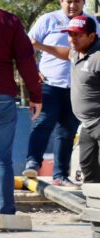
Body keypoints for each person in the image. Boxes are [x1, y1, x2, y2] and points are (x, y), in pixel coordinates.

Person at [0, 0, 42, 213]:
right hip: (2, 95)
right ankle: (6, 211)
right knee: (2, 159)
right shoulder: (10, 20)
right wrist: (36, 95)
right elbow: (26, 61)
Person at [24, 0, 92, 186]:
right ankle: (33, 162)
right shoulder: (48, 20)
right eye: (68, 1)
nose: (72, 5)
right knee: (44, 122)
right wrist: (34, 71)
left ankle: (60, 175)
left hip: (77, 87)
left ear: (83, 1)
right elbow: (27, 46)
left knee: (67, 131)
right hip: (50, 84)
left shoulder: (91, 23)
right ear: (61, 1)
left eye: (77, 1)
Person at [32, 16, 100, 183]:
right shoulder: (77, 52)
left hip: (98, 121)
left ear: (92, 36)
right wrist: (40, 46)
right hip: (88, 124)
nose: (72, 39)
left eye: (78, 35)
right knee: (87, 164)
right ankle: (94, 204)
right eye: (70, 35)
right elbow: (65, 53)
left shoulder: (97, 57)